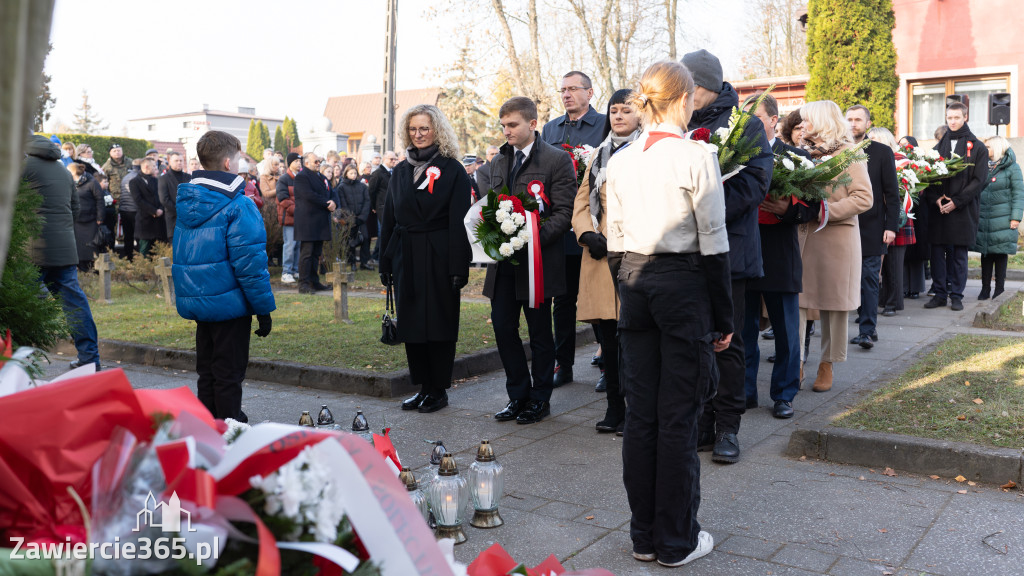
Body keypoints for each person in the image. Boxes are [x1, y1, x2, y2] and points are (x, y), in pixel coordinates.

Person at [606, 60, 730, 568]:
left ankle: (644, 535)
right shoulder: (695, 155)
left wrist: (628, 291)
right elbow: (714, 243)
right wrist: (722, 319)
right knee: (678, 417)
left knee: (643, 416)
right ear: (684, 100)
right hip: (682, 285)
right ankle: (676, 540)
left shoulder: (622, 158)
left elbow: (614, 240)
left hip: (634, 282)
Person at [682, 49, 773, 465]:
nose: (684, 94)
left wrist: (702, 207)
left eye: (690, 87)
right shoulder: (679, 123)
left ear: (706, 86)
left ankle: (728, 427)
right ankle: (701, 421)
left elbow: (754, 185)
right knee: (695, 343)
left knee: (728, 341)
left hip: (729, 252)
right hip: (685, 254)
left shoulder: (744, 126)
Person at [477, 96, 575, 425]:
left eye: (513, 125)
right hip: (504, 264)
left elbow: (564, 212)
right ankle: (517, 395)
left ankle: (540, 397)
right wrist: (496, 236)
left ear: (532, 124)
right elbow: (489, 207)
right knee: (504, 328)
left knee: (539, 333)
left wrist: (530, 240)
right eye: (503, 125)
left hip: (538, 263)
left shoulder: (556, 160)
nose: (507, 131)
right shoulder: (496, 163)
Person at [172, 131, 275, 422]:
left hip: (201, 302)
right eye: (240, 158)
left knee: (207, 372)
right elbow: (250, 265)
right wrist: (263, 309)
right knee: (229, 374)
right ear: (229, 163)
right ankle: (230, 433)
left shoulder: (189, 199)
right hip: (229, 305)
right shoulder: (238, 204)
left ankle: (209, 427)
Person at [379, 105, 473, 413]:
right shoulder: (400, 170)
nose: (418, 135)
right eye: (413, 129)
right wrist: (385, 261)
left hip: (439, 255)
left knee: (439, 324)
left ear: (438, 131)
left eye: (424, 128)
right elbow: (389, 218)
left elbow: (460, 220)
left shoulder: (453, 169)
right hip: (406, 255)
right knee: (412, 325)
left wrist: (459, 265)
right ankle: (422, 386)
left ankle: (439, 390)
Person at [573, 88, 640, 433]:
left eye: (626, 110)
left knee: (636, 343)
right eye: (614, 110)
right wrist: (586, 235)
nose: (618, 116)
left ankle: (638, 411)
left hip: (635, 255)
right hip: (601, 258)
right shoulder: (599, 155)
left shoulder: (649, 152)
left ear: (641, 114)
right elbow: (582, 203)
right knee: (610, 342)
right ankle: (615, 408)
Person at [744, 93, 815, 419]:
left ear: (774, 120)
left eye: (755, 117)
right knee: (741, 329)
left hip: (779, 253)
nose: (748, 124)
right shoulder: (733, 155)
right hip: (743, 252)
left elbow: (814, 203)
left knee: (787, 331)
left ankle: (784, 394)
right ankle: (743, 392)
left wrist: (789, 209)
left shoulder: (796, 157)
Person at [797, 100, 874, 392]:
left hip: (836, 241)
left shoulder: (849, 155)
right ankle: (797, 362)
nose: (802, 125)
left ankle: (827, 363)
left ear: (822, 122)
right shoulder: (804, 155)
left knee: (834, 306)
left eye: (807, 120)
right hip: (805, 239)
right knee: (799, 303)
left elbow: (864, 198)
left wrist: (824, 209)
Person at [541, 71, 607, 388]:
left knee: (600, 297)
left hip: (594, 227)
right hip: (560, 228)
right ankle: (562, 365)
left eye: (573, 89)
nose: (566, 94)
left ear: (590, 93)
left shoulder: (605, 124)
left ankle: (609, 364)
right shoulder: (551, 128)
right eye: (562, 89)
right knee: (563, 300)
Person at [23, 135, 101, 370]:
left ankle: (19, 364)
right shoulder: (62, 169)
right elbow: (74, 208)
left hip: (30, 249)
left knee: (22, 306)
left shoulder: (20, 167)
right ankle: (90, 359)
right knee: (75, 303)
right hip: (65, 249)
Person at [924, 102, 990, 311]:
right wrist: (936, 199)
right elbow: (929, 178)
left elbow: (979, 181)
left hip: (963, 209)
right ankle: (940, 294)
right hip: (939, 210)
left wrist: (956, 202)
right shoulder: (937, 148)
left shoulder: (977, 147)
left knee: (959, 255)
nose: (952, 122)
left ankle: (957, 295)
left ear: (965, 117)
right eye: (949, 118)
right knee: (937, 254)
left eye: (956, 118)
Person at [845, 105, 900, 349]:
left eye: (858, 119)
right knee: (845, 279)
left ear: (868, 124)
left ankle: (867, 330)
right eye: (849, 119)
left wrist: (891, 226)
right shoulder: (837, 150)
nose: (853, 123)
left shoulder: (881, 152)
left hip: (872, 227)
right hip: (842, 225)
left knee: (868, 278)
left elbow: (892, 193)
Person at [870, 127, 916, 315]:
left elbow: (911, 190)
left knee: (894, 265)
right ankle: (880, 300)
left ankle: (893, 303)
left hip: (897, 217)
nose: (869, 141)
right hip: (878, 217)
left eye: (873, 138)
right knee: (877, 265)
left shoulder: (902, 161)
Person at [972, 136, 1023, 300]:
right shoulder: (982, 167)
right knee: (985, 253)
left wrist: (1016, 217)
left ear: (997, 147)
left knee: (1000, 253)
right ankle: (985, 289)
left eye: (988, 146)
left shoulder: (1012, 168)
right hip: (984, 216)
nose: (985, 149)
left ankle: (999, 289)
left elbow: (1018, 195)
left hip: (1003, 218)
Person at [293, 153, 336, 293]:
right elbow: (308, 195)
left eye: (319, 160)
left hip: (319, 221)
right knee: (307, 254)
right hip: (308, 221)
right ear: (306, 163)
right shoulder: (301, 177)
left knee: (316, 253)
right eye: (316, 161)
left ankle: (314, 281)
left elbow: (332, 191)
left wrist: (334, 202)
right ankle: (303, 284)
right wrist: (326, 203)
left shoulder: (321, 177)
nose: (318, 163)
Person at [898, 135, 928, 300]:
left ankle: (915, 287)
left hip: (918, 210)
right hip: (903, 209)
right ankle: (902, 287)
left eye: (907, 145)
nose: (904, 148)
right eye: (901, 145)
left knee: (916, 253)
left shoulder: (919, 164)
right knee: (902, 253)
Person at [67, 162, 105, 272]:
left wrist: (100, 217)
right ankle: (81, 267)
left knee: (91, 245)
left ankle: (93, 267)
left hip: (91, 220)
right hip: (76, 220)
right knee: (79, 246)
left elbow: (100, 200)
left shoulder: (91, 182)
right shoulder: (70, 183)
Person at [337, 164, 372, 269]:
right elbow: (343, 204)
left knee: (365, 238)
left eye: (355, 173)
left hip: (361, 219)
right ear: (346, 173)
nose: (353, 175)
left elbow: (367, 201)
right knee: (350, 241)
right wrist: (351, 218)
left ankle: (364, 262)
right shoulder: (341, 187)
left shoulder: (362, 186)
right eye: (351, 173)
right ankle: (352, 262)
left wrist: (362, 217)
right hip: (349, 220)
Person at [130, 157, 166, 257]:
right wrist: (154, 211)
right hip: (145, 222)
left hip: (158, 222)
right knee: (144, 251)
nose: (156, 168)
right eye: (154, 166)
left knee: (159, 252)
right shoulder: (134, 182)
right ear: (146, 166)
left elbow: (161, 197)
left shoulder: (156, 180)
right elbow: (138, 200)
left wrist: (160, 210)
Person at [276, 153, 302, 283]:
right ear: (290, 163)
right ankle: (286, 272)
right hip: (290, 217)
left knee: (298, 245)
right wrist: (297, 210)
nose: (299, 163)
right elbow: (283, 198)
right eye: (296, 161)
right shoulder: (284, 179)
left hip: (301, 217)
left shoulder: (301, 178)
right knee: (290, 245)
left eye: (300, 161)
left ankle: (295, 270)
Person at [101, 143, 132, 252]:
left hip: (130, 198)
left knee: (129, 223)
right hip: (115, 199)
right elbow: (103, 183)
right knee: (114, 223)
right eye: (114, 151)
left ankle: (129, 247)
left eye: (119, 150)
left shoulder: (130, 163)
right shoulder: (107, 166)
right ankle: (113, 248)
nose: (117, 152)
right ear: (110, 153)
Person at [369, 150, 398, 263]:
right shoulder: (377, 173)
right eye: (391, 159)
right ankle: (377, 255)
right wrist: (374, 206)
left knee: (390, 231)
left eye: (395, 159)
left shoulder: (394, 172)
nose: (393, 161)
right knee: (383, 232)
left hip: (393, 206)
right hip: (382, 206)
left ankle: (386, 255)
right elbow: (371, 191)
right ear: (385, 159)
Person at [158, 152, 189, 240]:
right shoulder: (163, 179)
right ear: (170, 162)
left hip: (189, 220)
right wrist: (180, 211)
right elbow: (164, 199)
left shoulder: (189, 177)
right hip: (173, 219)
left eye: (181, 160)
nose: (179, 162)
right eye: (176, 160)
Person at [118, 159, 142, 261]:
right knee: (138, 235)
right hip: (133, 210)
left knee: (128, 236)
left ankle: (128, 257)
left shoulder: (126, 177)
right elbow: (136, 196)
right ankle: (137, 259)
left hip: (124, 209)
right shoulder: (136, 178)